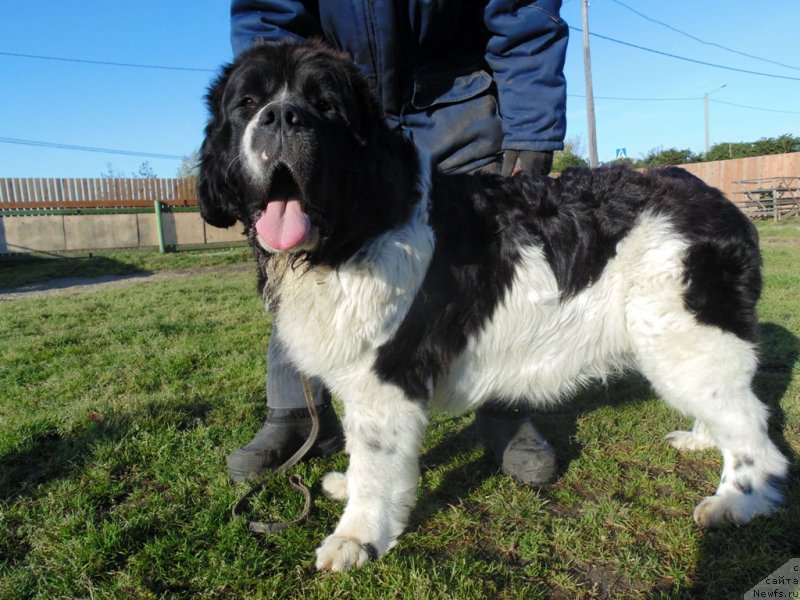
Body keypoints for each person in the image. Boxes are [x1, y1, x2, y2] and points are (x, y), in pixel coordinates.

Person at [225, 0, 569, 486]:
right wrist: (289, 94)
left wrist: (532, 129)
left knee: (484, 265)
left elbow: (522, 11)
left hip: (455, 98)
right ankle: (299, 412)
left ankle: (505, 412)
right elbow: (267, 15)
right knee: (303, 261)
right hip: (332, 102)